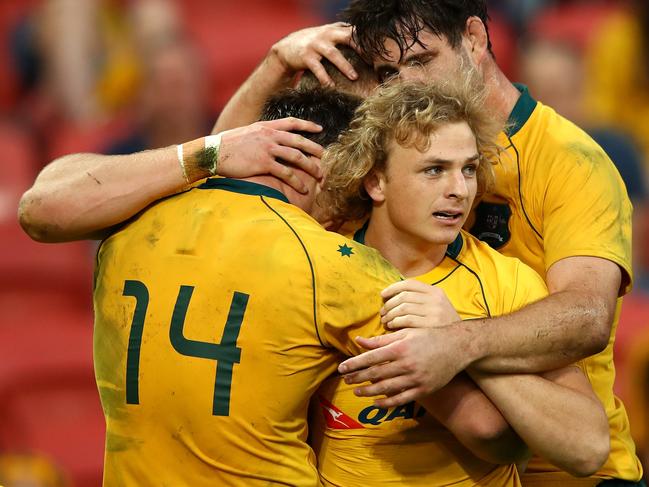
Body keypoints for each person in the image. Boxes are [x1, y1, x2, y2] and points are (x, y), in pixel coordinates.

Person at [14, 8, 637, 484]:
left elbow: (583, 351)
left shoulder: (540, 212)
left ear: (475, 40)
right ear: (369, 175)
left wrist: (460, 342)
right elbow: (489, 429)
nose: (458, 191)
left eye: (469, 170)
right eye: (433, 170)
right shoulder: (336, 265)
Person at [324, 2, 641, 486]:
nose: (407, 85)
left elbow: (587, 317)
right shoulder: (384, 161)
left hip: (570, 472)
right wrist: (272, 70)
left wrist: (455, 342)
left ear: (473, 37)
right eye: (389, 72)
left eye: (421, 60)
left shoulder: (570, 160)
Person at [92, 86, 409, 485]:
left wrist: (209, 150)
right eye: (354, 186)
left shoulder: (132, 225)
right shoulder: (329, 263)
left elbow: (41, 204)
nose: (355, 214)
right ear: (319, 166)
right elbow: (483, 426)